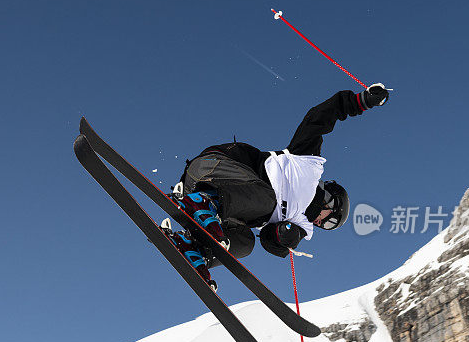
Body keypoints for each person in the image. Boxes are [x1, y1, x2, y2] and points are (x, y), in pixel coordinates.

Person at [163, 84, 390, 290]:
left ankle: (193, 248)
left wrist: (283, 240)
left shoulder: (299, 224)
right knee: (268, 199)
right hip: (216, 167)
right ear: (331, 200)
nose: (322, 224)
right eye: (330, 220)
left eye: (327, 227)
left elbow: (268, 241)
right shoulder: (308, 165)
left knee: (245, 243)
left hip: (203, 197)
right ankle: (206, 202)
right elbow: (318, 118)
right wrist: (362, 101)